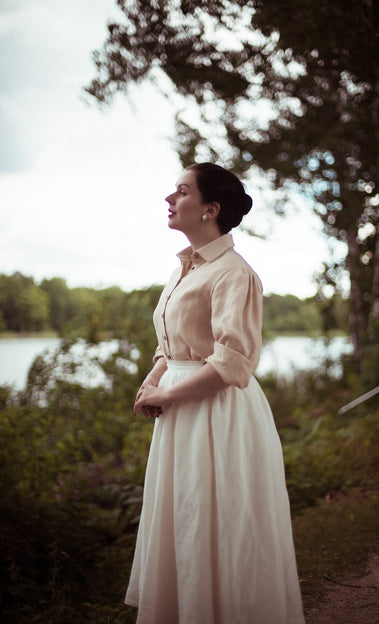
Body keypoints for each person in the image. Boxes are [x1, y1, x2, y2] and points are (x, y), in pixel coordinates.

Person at [125, 163, 305, 624]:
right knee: (184, 517)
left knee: (219, 521)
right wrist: (154, 379)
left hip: (217, 412)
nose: (170, 199)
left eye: (181, 192)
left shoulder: (233, 273)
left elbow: (233, 361)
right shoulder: (184, 268)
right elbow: (175, 344)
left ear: (210, 209)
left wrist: (168, 395)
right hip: (180, 407)